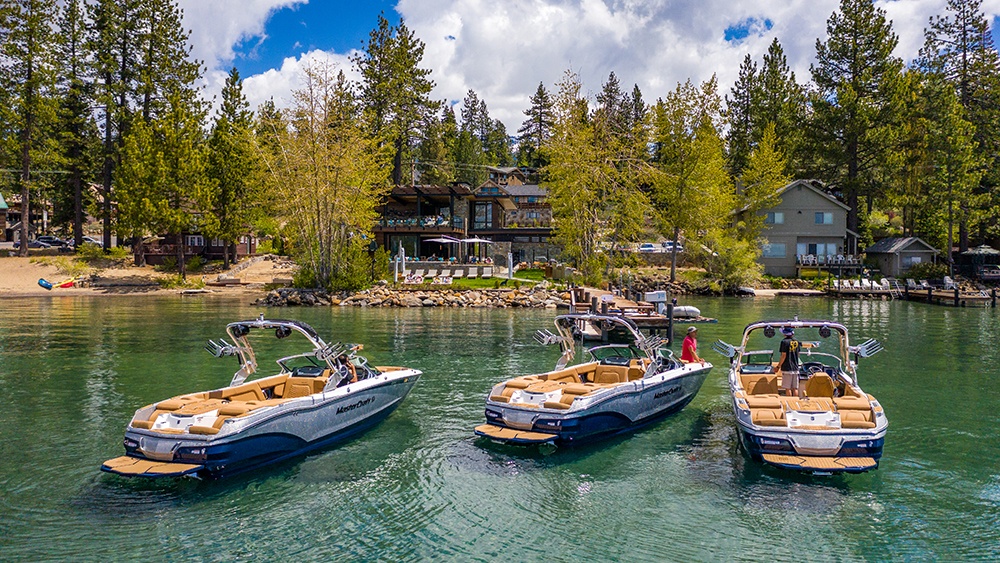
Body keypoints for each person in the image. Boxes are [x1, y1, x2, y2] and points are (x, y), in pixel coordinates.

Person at [777, 327, 814, 397]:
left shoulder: (784, 342)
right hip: (795, 368)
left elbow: (783, 356)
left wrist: (778, 366)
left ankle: (789, 403)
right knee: (795, 388)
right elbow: (798, 354)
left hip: (787, 368)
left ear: (785, 334)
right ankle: (796, 402)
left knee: (787, 389)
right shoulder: (797, 341)